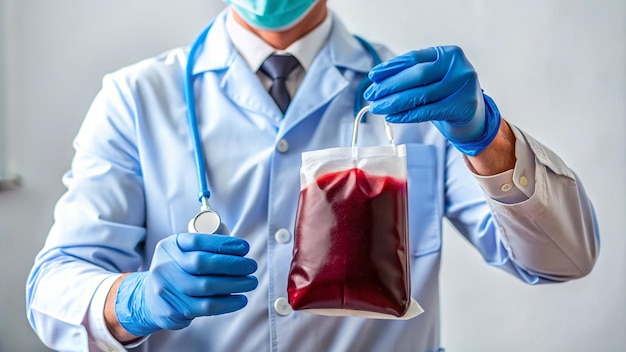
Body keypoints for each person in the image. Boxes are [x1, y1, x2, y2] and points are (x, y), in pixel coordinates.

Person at [26, 1, 599, 351]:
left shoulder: (419, 98)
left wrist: (485, 135)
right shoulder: (136, 97)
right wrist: (134, 300)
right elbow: (53, 286)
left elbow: (562, 259)